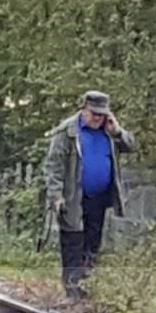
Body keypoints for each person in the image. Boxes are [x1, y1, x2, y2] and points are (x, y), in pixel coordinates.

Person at [44, 90, 135, 299]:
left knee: (93, 241)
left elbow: (131, 146)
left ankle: (87, 283)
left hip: (99, 197)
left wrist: (118, 131)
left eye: (102, 114)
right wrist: (56, 196)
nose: (97, 118)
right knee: (73, 240)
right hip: (73, 197)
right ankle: (72, 289)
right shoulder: (67, 132)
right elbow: (54, 166)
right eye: (94, 113)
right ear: (84, 109)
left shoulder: (109, 131)